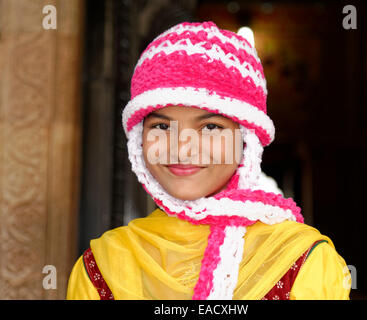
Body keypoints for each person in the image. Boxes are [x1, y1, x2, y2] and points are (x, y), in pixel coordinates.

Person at [66, 21, 351, 300]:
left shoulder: (303, 262)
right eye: (162, 126)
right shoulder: (101, 267)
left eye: (211, 127)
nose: (182, 148)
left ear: (246, 139)